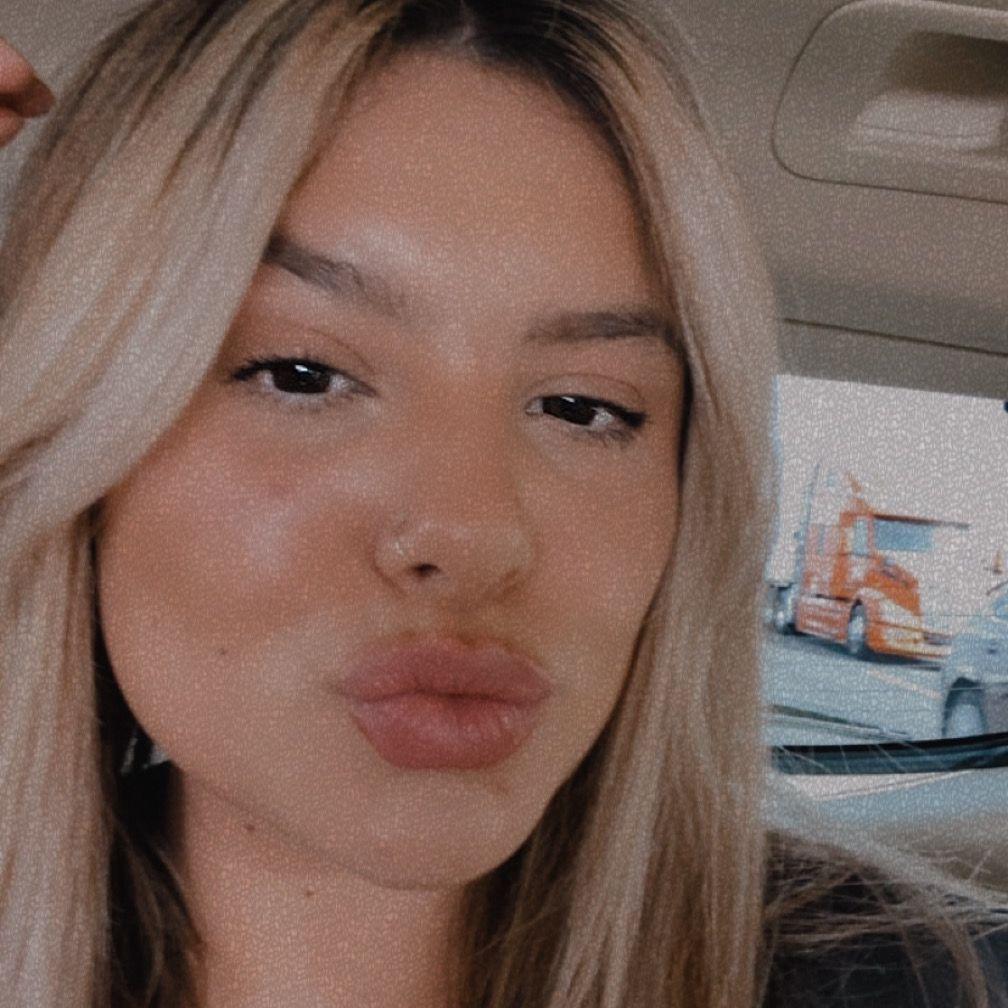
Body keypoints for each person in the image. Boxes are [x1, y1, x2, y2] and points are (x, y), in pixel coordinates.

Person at [1, 3, 1007, 1007]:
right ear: (75, 440)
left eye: (582, 408)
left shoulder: (928, 982)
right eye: (301, 375)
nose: (473, 536)